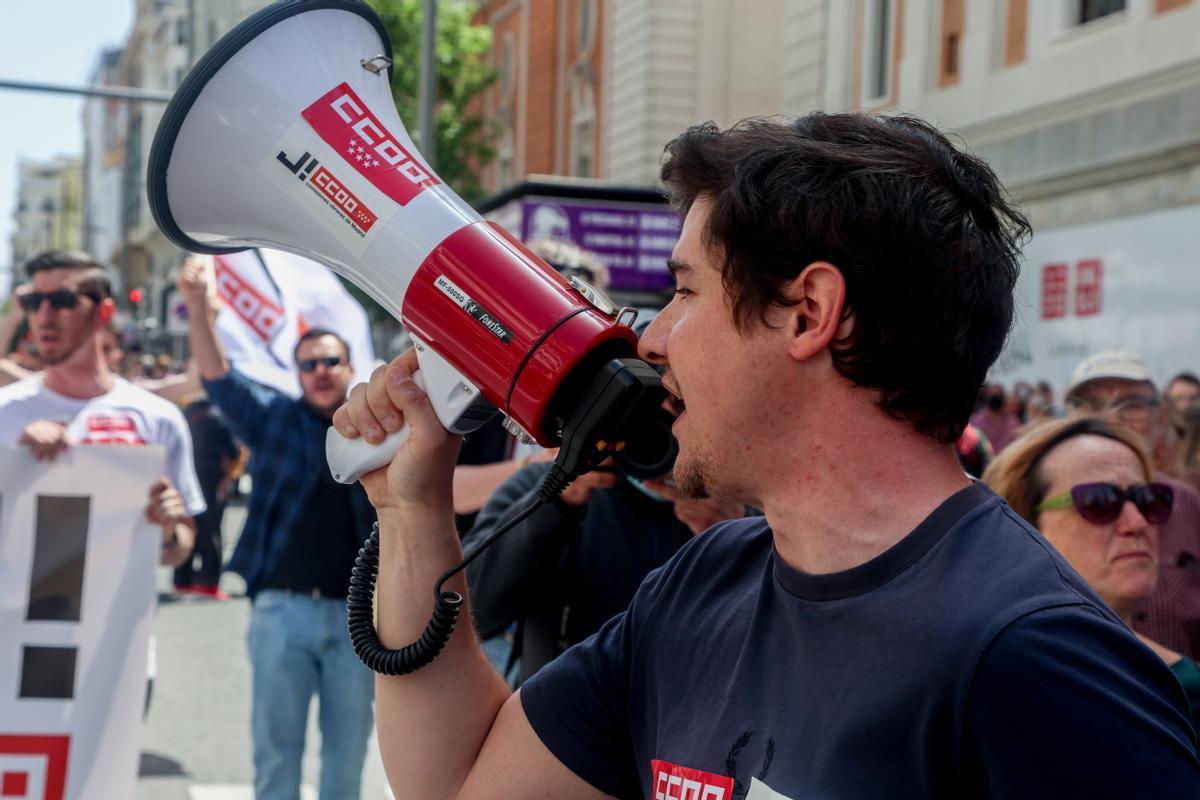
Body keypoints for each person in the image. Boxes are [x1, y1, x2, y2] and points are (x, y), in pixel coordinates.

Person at [336, 113, 1199, 797]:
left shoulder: (1037, 662)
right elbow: (458, 785)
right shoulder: (703, 583)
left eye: (684, 290)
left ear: (810, 311)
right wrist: (412, 510)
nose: (656, 336)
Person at [177, 257, 376, 800]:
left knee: (347, 759)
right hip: (281, 612)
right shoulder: (275, 417)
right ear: (298, 372)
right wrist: (199, 309)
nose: (320, 371)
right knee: (276, 756)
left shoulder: (378, 432)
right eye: (309, 363)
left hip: (360, 622)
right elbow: (219, 380)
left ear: (348, 363)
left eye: (331, 360)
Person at [463, 422, 742, 685]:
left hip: (689, 714)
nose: (659, 436)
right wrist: (557, 502)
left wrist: (733, 532)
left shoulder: (738, 500)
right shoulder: (548, 483)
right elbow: (472, 609)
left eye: (677, 413)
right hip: (562, 715)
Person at [983, 416, 1200, 732]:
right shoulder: (996, 689)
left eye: (1149, 499)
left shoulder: (1186, 686)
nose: (1137, 522)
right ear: (1026, 525)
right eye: (1100, 501)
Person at [0, 250, 202, 567]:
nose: (44, 315)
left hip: (115, 614)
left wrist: (166, 530)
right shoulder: (5, 412)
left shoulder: (157, 418)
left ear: (103, 313)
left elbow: (178, 552)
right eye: (33, 302)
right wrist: (15, 464)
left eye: (63, 300)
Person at [1066, 350, 1200, 659]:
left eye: (1132, 404)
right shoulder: (1047, 505)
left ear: (1162, 417)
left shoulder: (1188, 503)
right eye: (1090, 404)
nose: (1111, 418)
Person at [173, 395, 240, 599]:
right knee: (211, 532)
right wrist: (228, 479)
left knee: (187, 526)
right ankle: (208, 583)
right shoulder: (219, 416)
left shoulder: (183, 414)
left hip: (183, 478)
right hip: (209, 480)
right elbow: (233, 452)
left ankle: (182, 580)